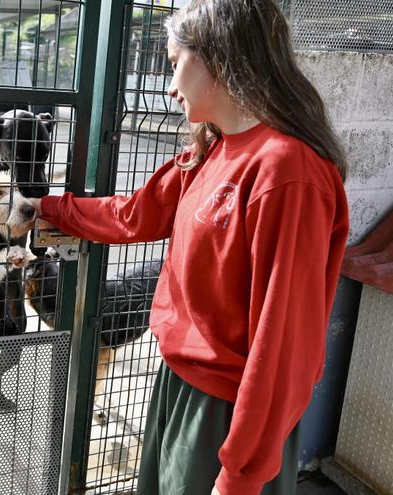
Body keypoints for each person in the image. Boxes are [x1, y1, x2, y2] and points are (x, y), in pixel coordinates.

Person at [26, 1, 349, 494]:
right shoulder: (217, 148)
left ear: (220, 58)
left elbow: (283, 344)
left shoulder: (288, 173)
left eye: (176, 63)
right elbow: (134, 214)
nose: (171, 86)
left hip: (226, 409)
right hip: (178, 383)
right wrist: (46, 207)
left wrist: (240, 474)